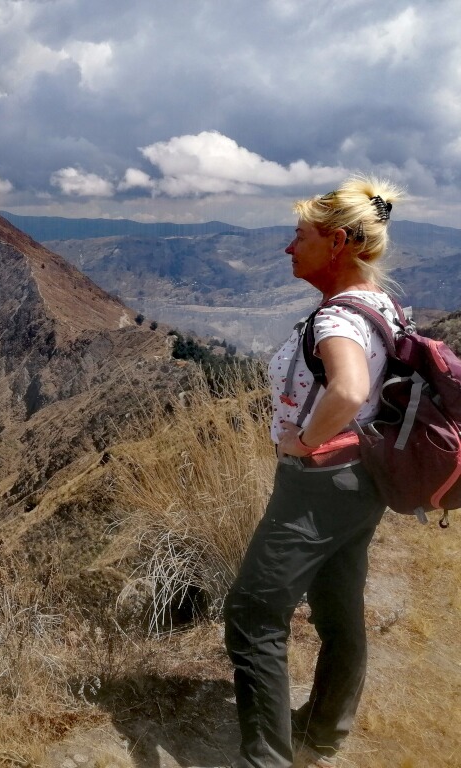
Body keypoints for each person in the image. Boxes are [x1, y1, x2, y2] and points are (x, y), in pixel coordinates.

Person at [224, 175, 405, 768]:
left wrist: (304, 442)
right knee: (337, 606)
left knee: (253, 614)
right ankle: (322, 734)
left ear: (338, 242)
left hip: (318, 484)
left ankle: (267, 760)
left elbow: (349, 389)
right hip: (362, 482)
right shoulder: (380, 305)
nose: (288, 247)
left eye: (300, 236)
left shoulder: (336, 321)